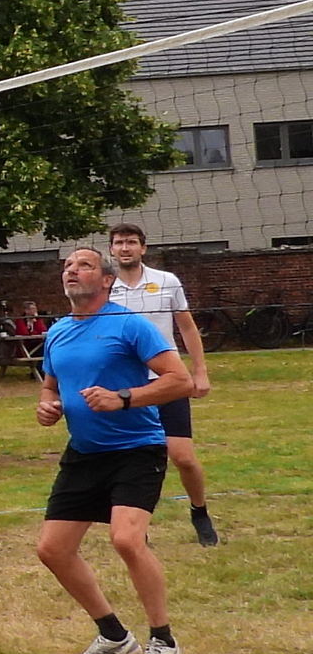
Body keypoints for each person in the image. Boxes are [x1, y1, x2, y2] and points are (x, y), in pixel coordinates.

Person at [35, 246, 193, 654]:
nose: (72, 271)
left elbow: (179, 381)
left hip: (136, 449)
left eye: (84, 265)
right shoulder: (57, 332)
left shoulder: (129, 325)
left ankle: (164, 642)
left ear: (107, 280)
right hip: (85, 453)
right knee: (52, 550)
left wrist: (123, 398)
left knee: (126, 540)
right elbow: (50, 386)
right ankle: (115, 638)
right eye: (67, 266)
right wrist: (48, 407)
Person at [108, 223, 219, 546]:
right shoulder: (105, 288)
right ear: (111, 250)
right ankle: (135, 528)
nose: (125, 248)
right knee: (130, 459)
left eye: (131, 242)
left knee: (182, 456)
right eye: (119, 242)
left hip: (167, 382)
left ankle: (199, 511)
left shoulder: (167, 281)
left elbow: (187, 327)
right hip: (126, 388)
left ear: (143, 248)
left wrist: (199, 372)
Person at [10, 300, 49, 378]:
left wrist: (36, 320)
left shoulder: (37, 320)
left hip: (37, 345)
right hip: (25, 347)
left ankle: (42, 371)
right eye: (32, 309)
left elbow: (43, 331)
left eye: (35, 309)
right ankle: (40, 371)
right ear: (26, 310)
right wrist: (33, 331)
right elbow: (24, 333)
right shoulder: (20, 321)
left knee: (47, 347)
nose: (34, 311)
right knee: (43, 349)